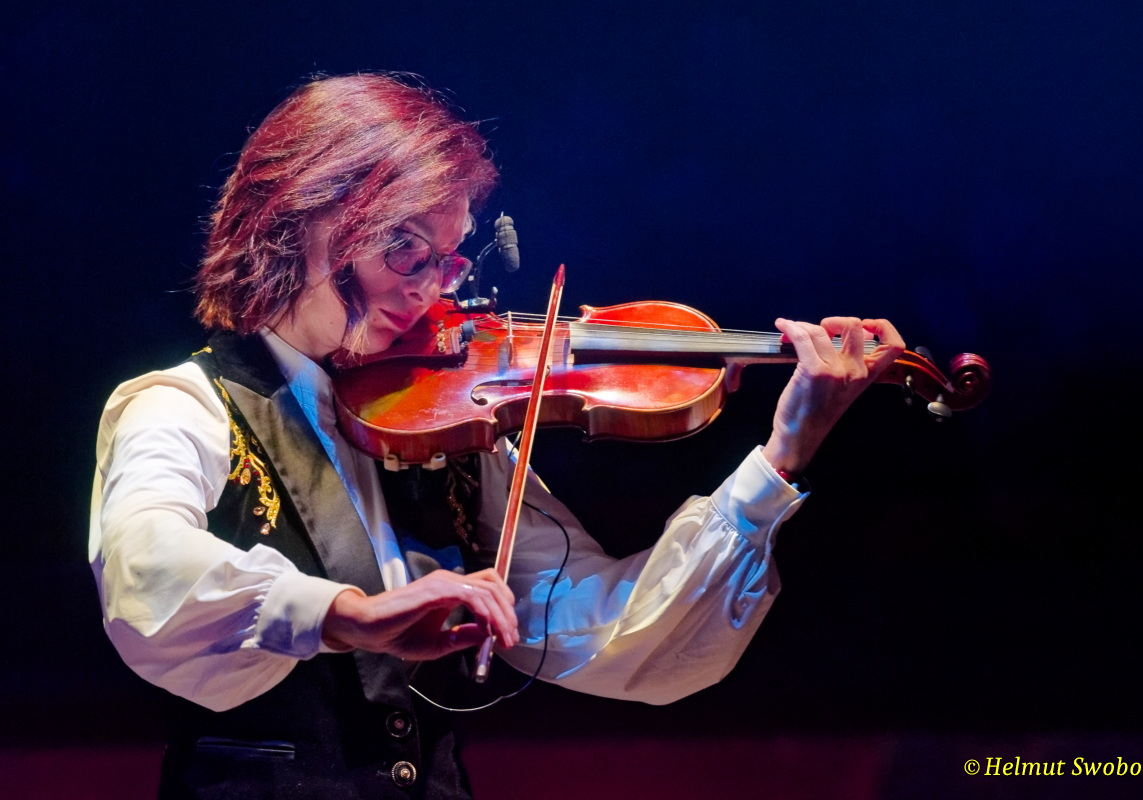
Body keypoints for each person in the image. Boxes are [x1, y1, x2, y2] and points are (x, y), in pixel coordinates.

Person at [88, 73, 905, 799]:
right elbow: (146, 566)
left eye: (446, 259)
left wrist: (782, 456)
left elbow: (604, 630)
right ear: (297, 220)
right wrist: (346, 614)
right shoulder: (181, 406)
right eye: (403, 247)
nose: (429, 290)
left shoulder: (450, 431)